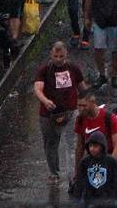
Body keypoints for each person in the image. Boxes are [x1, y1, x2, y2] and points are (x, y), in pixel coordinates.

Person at [33, 41, 86, 182]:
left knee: (72, 144)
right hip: (48, 115)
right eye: (55, 56)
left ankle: (73, 175)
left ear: (66, 54)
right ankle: (54, 173)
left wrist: (86, 106)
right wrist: (45, 100)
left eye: (61, 56)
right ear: (51, 54)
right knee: (51, 144)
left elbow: (82, 89)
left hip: (71, 112)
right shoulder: (44, 70)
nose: (58, 59)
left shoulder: (73, 68)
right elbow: (38, 88)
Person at [69, 130, 117, 208]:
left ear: (102, 146)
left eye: (95, 146)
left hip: (108, 202)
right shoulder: (85, 162)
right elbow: (79, 184)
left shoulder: (111, 162)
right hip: (91, 203)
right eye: (90, 146)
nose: (92, 149)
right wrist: (76, 206)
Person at [73, 89, 117, 164]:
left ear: (93, 102)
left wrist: (110, 166)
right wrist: (77, 171)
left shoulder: (109, 117)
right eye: (79, 105)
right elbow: (80, 147)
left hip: (108, 156)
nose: (81, 109)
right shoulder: (80, 119)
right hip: (91, 159)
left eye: (84, 105)